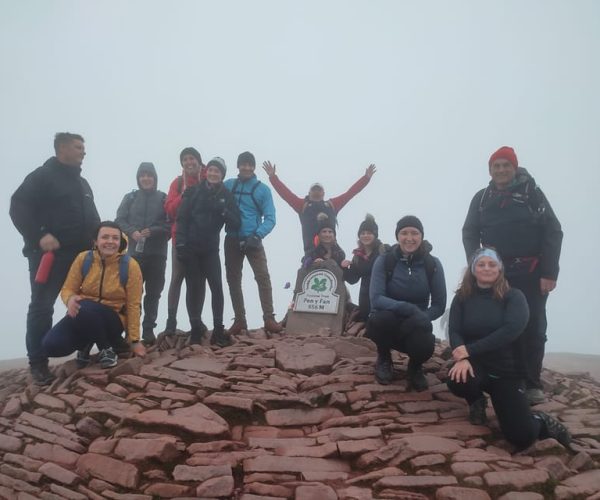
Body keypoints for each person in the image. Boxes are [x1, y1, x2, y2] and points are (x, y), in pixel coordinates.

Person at [462, 146, 563, 405]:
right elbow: (469, 232)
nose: (501, 170)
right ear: (490, 170)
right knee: (497, 324)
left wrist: (549, 272)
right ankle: (503, 377)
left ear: (515, 168)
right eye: (496, 166)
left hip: (531, 273)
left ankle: (531, 382)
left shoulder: (533, 194)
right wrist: (477, 264)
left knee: (533, 326)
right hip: (495, 274)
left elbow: (553, 230)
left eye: (506, 165)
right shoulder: (482, 198)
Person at [446, 247, 570, 450]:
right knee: (456, 378)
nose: (487, 268)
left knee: (521, 436)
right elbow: (455, 330)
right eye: (481, 264)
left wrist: (470, 351)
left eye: (492, 264)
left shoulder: (514, 296)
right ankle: (476, 400)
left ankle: (540, 421)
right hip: (477, 366)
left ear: (500, 268)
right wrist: (462, 357)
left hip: (507, 372)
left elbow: (511, 330)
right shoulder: (462, 297)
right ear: (473, 268)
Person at [10, 132, 100, 385]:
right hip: (49, 256)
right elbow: (17, 206)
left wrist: (100, 238)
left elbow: (93, 218)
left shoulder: (83, 185)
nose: (84, 151)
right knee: (42, 305)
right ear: (62, 148)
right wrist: (40, 235)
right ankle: (38, 363)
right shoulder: (42, 176)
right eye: (78, 146)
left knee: (90, 302)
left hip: (81, 256)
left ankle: (84, 350)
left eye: (84, 146)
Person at [41, 221, 146, 369]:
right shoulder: (83, 259)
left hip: (113, 319)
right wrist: (70, 299)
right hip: (84, 314)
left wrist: (134, 340)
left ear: (120, 241)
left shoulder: (130, 265)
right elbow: (68, 289)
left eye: (115, 238)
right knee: (50, 346)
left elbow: (134, 304)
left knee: (84, 307)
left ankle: (106, 349)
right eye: (105, 237)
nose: (110, 241)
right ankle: (88, 342)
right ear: (95, 241)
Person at [368, 216, 446, 390]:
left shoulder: (432, 264)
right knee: (379, 320)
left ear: (421, 236)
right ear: (397, 236)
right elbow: (376, 298)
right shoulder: (385, 260)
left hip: (416, 323)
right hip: (390, 319)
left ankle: (415, 367)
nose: (409, 238)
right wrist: (407, 308)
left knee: (425, 345)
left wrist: (422, 317)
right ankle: (384, 357)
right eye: (404, 233)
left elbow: (440, 304)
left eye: (414, 233)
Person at [176, 157, 241, 346]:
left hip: (211, 249)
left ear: (222, 175)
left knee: (217, 288)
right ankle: (195, 328)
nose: (213, 173)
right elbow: (182, 218)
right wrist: (180, 244)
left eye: (217, 171)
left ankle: (218, 330)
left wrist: (223, 211)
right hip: (190, 247)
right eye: (211, 170)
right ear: (206, 172)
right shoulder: (193, 192)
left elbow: (236, 222)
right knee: (193, 288)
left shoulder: (226, 196)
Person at [224, 151, 282, 335]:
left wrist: (257, 236)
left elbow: (271, 218)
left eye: (250, 164)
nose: (247, 168)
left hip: (253, 239)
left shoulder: (262, 189)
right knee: (233, 280)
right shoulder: (228, 185)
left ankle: (269, 318)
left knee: (262, 277)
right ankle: (240, 320)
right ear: (238, 166)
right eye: (243, 164)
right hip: (232, 238)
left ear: (254, 167)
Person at [262, 161, 376, 254]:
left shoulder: (332, 205)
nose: (317, 192)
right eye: (314, 190)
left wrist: (366, 178)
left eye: (319, 190)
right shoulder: (302, 205)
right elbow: (285, 194)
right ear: (309, 192)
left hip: (332, 251)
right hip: (311, 252)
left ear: (323, 192)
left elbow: (350, 193)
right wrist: (273, 177)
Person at [115, 162, 170, 345]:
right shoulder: (130, 198)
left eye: (149, 175)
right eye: (142, 176)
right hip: (134, 255)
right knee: (133, 294)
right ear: (138, 179)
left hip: (157, 255)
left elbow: (171, 225)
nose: (146, 179)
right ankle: (131, 332)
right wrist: (132, 232)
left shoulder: (164, 198)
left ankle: (148, 331)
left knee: (154, 293)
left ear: (155, 178)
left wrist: (153, 231)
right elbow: (119, 220)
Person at [164, 147, 207, 334]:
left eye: (192, 158)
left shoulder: (208, 179)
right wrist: (184, 194)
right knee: (177, 278)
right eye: (185, 159)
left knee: (199, 280)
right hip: (179, 238)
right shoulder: (178, 183)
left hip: (203, 239)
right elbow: (170, 210)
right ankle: (171, 322)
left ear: (199, 160)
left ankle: (196, 322)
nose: (189, 162)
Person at [342, 214, 388, 322]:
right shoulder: (358, 256)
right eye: (362, 233)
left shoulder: (384, 250)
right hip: (365, 299)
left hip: (383, 294)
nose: (365, 236)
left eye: (369, 233)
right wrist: (346, 268)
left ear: (375, 234)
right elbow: (353, 279)